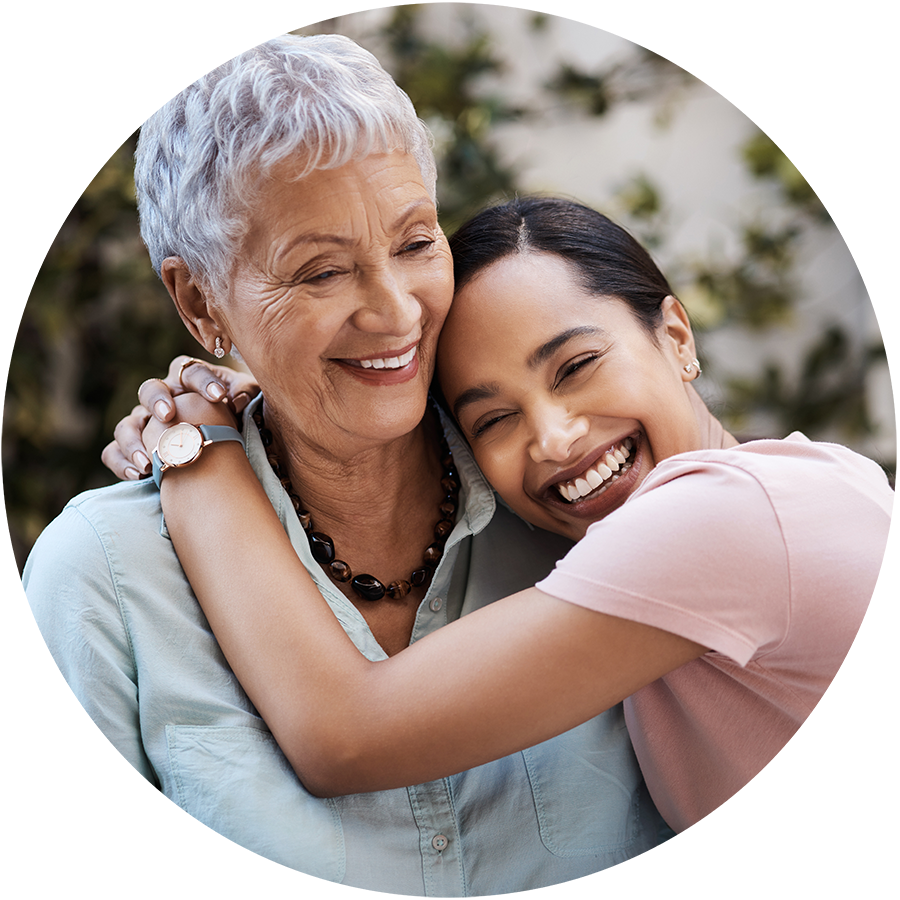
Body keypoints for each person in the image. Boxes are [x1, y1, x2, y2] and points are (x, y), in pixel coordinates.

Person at [22, 37, 690, 898]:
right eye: (322, 271)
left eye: (416, 243)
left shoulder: (572, 494)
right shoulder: (105, 583)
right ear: (199, 302)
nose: (394, 311)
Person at [110, 197, 899, 882]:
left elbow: (344, 737)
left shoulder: (727, 519)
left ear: (677, 336)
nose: (554, 440)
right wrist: (290, 400)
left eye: (576, 365)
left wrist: (199, 450)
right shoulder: (781, 491)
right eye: (493, 419)